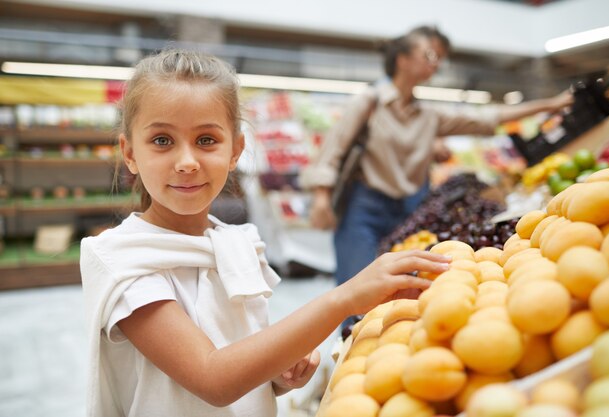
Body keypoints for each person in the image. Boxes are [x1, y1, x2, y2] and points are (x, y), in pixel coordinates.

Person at [79, 49, 451, 417]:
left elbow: (243, 356)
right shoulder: (125, 261)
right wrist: (346, 298)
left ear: (235, 150)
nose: (187, 162)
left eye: (206, 139)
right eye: (162, 140)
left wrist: (280, 373)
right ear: (129, 153)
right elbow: (213, 379)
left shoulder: (236, 242)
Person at [299, 26, 574, 329]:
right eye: (429, 55)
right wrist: (322, 197)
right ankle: (347, 355)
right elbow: (333, 147)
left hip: (408, 209)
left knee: (399, 291)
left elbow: (487, 118)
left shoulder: (427, 115)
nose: (436, 64)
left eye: (440, 58)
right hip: (364, 208)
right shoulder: (369, 102)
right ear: (402, 59)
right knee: (355, 291)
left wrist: (552, 104)